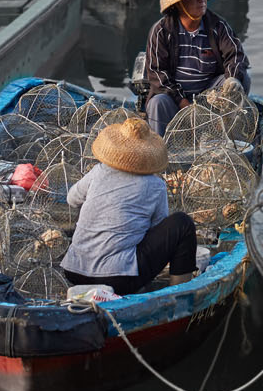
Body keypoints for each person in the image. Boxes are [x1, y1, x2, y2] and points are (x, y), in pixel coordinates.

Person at [60, 117, 197, 295]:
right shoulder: (155, 185)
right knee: (182, 223)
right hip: (118, 278)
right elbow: (156, 227)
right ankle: (180, 294)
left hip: (73, 271)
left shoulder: (99, 171)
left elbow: (72, 199)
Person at [143, 0, 250, 137]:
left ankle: (225, 136)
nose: (202, 0)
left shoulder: (218, 26)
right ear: (180, 4)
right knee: (157, 102)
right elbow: (157, 74)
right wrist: (183, 103)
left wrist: (233, 77)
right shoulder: (162, 31)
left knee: (241, 80)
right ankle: (161, 153)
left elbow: (236, 55)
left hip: (209, 97)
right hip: (175, 99)